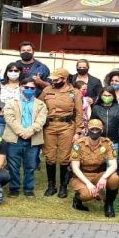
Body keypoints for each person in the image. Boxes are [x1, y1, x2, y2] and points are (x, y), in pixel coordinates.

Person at [41, 67, 83, 198]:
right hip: (49, 126)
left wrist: (78, 132)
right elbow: (39, 106)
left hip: (67, 126)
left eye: (57, 79)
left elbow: (79, 114)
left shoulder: (74, 92)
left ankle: (63, 187)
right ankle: (51, 185)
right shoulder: (47, 90)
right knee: (50, 157)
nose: (54, 81)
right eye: (52, 79)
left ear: (64, 79)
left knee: (65, 157)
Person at [2, 76, 46, 197]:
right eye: (26, 87)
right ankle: (14, 189)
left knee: (30, 166)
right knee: (13, 166)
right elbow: (9, 118)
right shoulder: (11, 102)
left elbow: (41, 121)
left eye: (32, 88)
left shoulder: (41, 104)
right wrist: (22, 132)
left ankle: (28, 189)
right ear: (21, 87)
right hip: (14, 138)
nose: (29, 89)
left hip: (33, 139)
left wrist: (29, 132)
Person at [69, 118, 119, 217]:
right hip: (82, 176)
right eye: (92, 129)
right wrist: (88, 184)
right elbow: (75, 168)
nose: (95, 132)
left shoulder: (107, 143)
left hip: (98, 174)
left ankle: (109, 204)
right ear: (88, 130)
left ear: (102, 131)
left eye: (97, 130)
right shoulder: (79, 144)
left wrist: (104, 177)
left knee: (114, 178)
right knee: (87, 195)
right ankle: (77, 199)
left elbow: (114, 165)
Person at [90, 86, 119, 167]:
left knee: (114, 166)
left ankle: (113, 179)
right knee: (100, 166)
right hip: (99, 142)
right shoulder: (96, 108)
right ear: (101, 96)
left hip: (114, 142)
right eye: (105, 95)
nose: (107, 97)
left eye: (109, 95)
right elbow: (92, 125)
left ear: (113, 96)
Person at [0, 62, 24, 129]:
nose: (13, 72)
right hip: (1, 118)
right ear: (6, 72)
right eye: (10, 70)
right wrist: (3, 105)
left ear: (20, 72)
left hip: (18, 120)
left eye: (16, 71)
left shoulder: (25, 86)